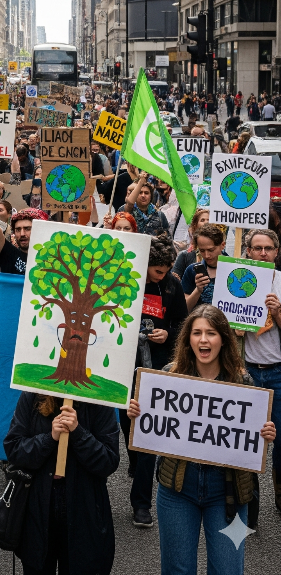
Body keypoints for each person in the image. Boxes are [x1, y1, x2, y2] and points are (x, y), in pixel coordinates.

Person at [127, 305, 276, 575]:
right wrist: (138, 413)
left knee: (228, 570)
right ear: (188, 339)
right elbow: (153, 425)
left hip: (229, 495)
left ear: (223, 339)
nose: (203, 340)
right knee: (177, 570)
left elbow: (250, 442)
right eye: (197, 333)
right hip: (177, 492)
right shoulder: (169, 376)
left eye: (211, 333)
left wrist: (265, 435)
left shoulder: (243, 383)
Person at [3, 389, 119, 575]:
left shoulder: (99, 399)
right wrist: (49, 438)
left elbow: (108, 462)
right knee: (37, 565)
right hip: (38, 503)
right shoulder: (32, 394)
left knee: (82, 564)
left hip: (84, 504)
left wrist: (78, 433)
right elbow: (14, 449)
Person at [119, 236, 187, 529]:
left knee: (144, 434)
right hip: (123, 364)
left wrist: (167, 334)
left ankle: (141, 505)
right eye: (158, 270)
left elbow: (183, 324)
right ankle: (135, 458)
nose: (164, 274)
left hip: (156, 367)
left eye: (168, 269)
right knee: (126, 423)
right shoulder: (126, 281)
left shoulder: (172, 285)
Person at [242, 229, 281, 510]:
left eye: (268, 248)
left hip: (278, 372)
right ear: (248, 252)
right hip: (247, 371)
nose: (263, 253)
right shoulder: (237, 280)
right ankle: (249, 505)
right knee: (247, 440)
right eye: (257, 248)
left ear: (277, 252)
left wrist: (277, 312)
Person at [181, 224, 225, 310]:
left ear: (222, 245)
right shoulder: (192, 271)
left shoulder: (234, 269)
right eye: (202, 250)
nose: (207, 255)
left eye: (211, 250)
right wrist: (198, 290)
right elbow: (184, 309)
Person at [119, 171, 169, 236]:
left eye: (146, 193)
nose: (143, 195)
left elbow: (167, 237)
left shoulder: (159, 215)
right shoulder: (125, 210)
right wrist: (140, 182)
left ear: (151, 196)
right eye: (140, 193)